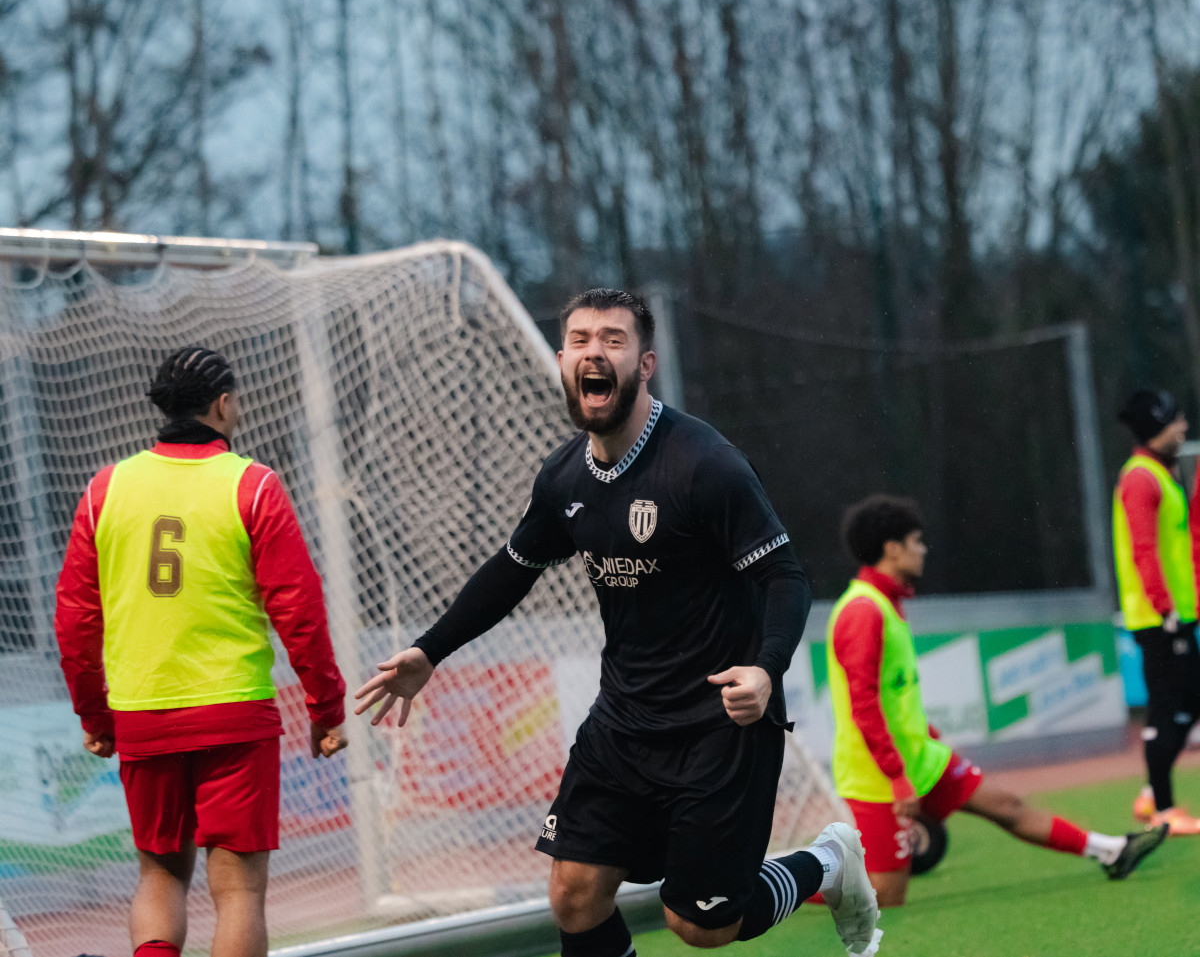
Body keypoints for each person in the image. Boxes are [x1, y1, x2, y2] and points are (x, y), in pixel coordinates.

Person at [355, 289, 882, 957]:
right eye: (579, 340)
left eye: (611, 338)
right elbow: (514, 568)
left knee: (703, 924)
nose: (593, 352)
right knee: (573, 893)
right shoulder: (563, 476)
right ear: (561, 360)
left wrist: (765, 666)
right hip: (625, 722)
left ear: (645, 362)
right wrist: (430, 651)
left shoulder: (705, 463)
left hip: (721, 723)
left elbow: (786, 576)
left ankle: (828, 862)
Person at [55, 347, 348, 957]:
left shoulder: (105, 489)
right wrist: (326, 706)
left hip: (143, 713)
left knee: (160, 876)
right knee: (238, 891)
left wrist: (96, 717)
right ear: (222, 403)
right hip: (234, 713)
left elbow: (75, 621)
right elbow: (298, 608)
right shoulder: (253, 484)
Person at [827, 494, 1167, 908]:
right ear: (892, 548)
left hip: (920, 760)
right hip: (880, 776)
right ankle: (778, 884)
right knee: (885, 896)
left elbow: (895, 695)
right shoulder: (863, 612)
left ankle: (1111, 851)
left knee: (1007, 805)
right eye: (917, 541)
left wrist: (932, 740)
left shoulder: (887, 605)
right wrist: (898, 777)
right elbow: (863, 706)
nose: (923, 550)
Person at [1114, 388, 1200, 833]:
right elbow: (1143, 550)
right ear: (1156, 428)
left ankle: (1154, 794)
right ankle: (1163, 809)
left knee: (1186, 702)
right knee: (1166, 710)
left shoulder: (1159, 474)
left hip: (1176, 614)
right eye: (1176, 421)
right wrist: (1166, 608)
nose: (1184, 427)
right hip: (1158, 618)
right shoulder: (1141, 478)